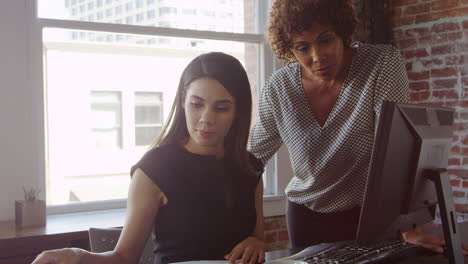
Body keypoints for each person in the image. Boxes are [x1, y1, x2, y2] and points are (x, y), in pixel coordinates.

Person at [248, 0, 468, 255]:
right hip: (305, 217)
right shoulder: (279, 88)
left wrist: (406, 227)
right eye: (302, 47)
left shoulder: (381, 64)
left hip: (371, 218)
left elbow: (399, 153)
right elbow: (250, 163)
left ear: (342, 32)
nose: (317, 57)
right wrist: (255, 235)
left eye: (326, 40)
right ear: (289, 49)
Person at [33, 52, 266, 264]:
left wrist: (256, 243)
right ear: (183, 100)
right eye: (197, 104)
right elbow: (123, 257)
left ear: (238, 111)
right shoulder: (155, 168)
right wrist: (78, 256)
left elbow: (257, 236)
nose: (206, 118)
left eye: (222, 108)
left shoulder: (250, 167)